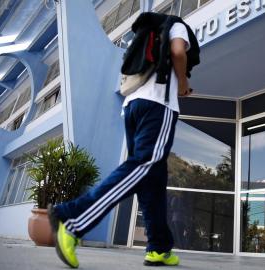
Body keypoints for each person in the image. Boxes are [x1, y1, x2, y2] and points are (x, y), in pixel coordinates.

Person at [48, 12, 199, 268]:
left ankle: (159, 247)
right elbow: (177, 52)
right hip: (158, 106)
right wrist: (182, 83)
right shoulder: (177, 25)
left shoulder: (146, 32)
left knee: (152, 180)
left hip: (133, 106)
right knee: (143, 165)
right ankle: (72, 218)